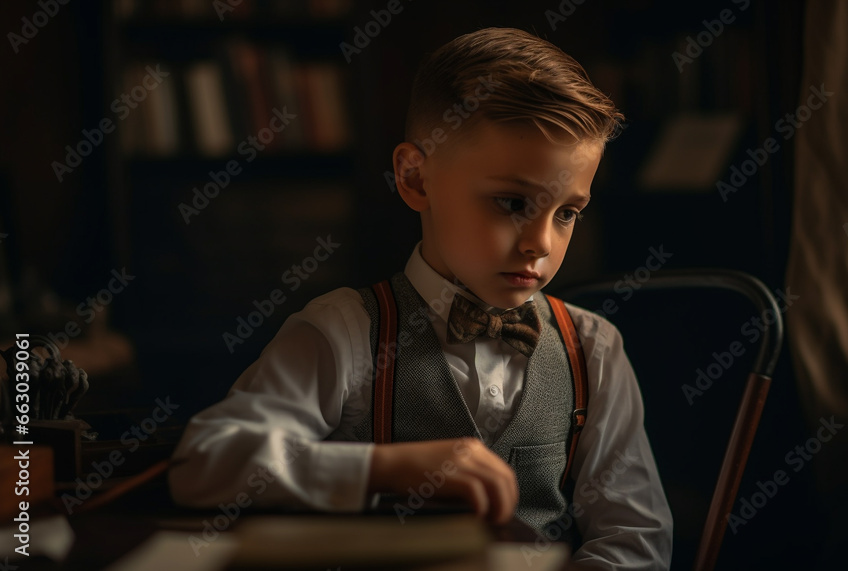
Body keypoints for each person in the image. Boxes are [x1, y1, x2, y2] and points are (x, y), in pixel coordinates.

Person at [169, 27, 672, 569]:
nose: (540, 243)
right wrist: (381, 470)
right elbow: (203, 463)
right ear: (415, 178)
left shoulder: (595, 349)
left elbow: (634, 539)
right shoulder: (344, 331)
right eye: (510, 202)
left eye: (567, 213)